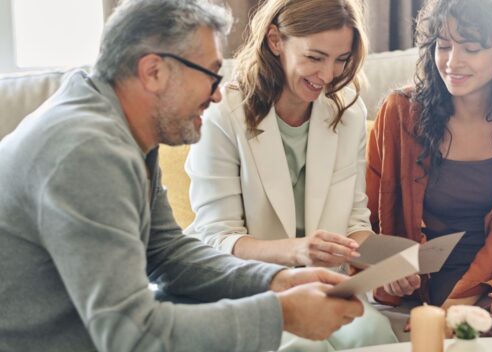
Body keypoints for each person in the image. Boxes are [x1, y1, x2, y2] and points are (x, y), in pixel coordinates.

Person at [0, 1, 367, 351]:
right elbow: (132, 334)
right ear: (154, 72)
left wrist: (274, 280)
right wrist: (282, 313)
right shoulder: (88, 151)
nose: (218, 96)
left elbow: (166, 253)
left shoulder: (118, 126)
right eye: (209, 75)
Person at [185, 0, 398, 349]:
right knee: (304, 346)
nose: (327, 75)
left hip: (326, 284)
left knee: (373, 335)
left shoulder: (346, 111)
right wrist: (297, 251)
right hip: (253, 286)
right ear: (275, 41)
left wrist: (385, 262)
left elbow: (354, 222)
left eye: (340, 59)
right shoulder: (223, 113)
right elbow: (216, 239)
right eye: (315, 57)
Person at [366, 0, 492, 334]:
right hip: (434, 272)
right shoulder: (401, 113)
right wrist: (385, 268)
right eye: (443, 46)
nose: (453, 62)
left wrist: (461, 303)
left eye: (471, 48)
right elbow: (364, 215)